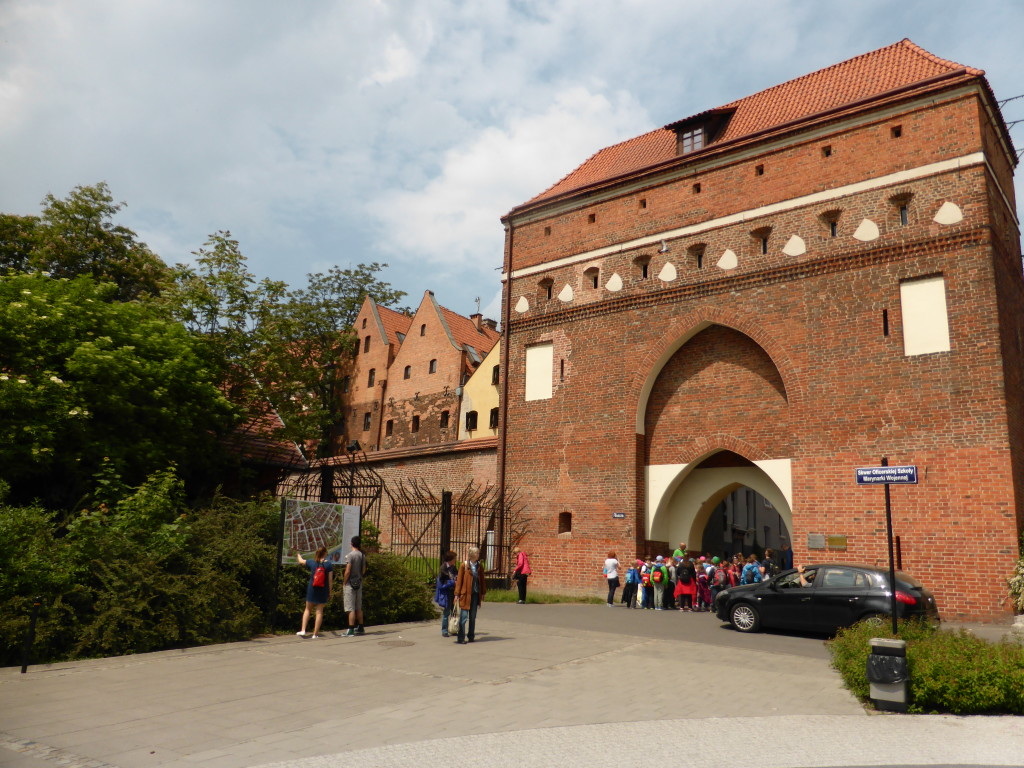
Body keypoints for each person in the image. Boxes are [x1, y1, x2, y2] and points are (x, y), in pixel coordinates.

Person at [296, 545, 333, 639]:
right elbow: (330, 580)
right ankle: (315, 634)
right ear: (325, 553)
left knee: (307, 609)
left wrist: (298, 553)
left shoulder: (312, 563)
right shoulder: (328, 565)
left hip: (312, 588)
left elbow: (301, 561)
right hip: (323, 590)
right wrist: (330, 592)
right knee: (319, 611)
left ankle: (303, 630)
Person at [454, 545, 487, 644]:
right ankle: (461, 637)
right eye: (477, 553)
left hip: (475, 594)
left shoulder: (479, 566)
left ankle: (471, 636)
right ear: (472, 554)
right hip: (465, 594)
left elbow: (482, 580)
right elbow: (459, 581)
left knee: (472, 617)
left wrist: (483, 592)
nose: (478, 555)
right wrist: (457, 594)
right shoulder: (464, 565)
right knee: (463, 617)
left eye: (478, 553)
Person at [342, 536, 367, 637]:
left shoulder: (350, 556)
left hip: (350, 584)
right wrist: (360, 576)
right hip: (359, 582)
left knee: (350, 607)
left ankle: (351, 629)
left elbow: (347, 571)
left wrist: (344, 582)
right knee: (358, 606)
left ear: (352, 544)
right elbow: (364, 569)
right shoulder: (362, 555)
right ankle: (360, 627)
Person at [436, 550, 458, 637]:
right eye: (454, 559)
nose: (455, 560)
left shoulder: (453, 568)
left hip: (453, 592)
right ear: (450, 559)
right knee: (446, 612)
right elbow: (441, 585)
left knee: (454, 611)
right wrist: (452, 582)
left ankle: (453, 628)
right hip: (446, 593)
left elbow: (456, 576)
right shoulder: (443, 569)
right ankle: (444, 630)